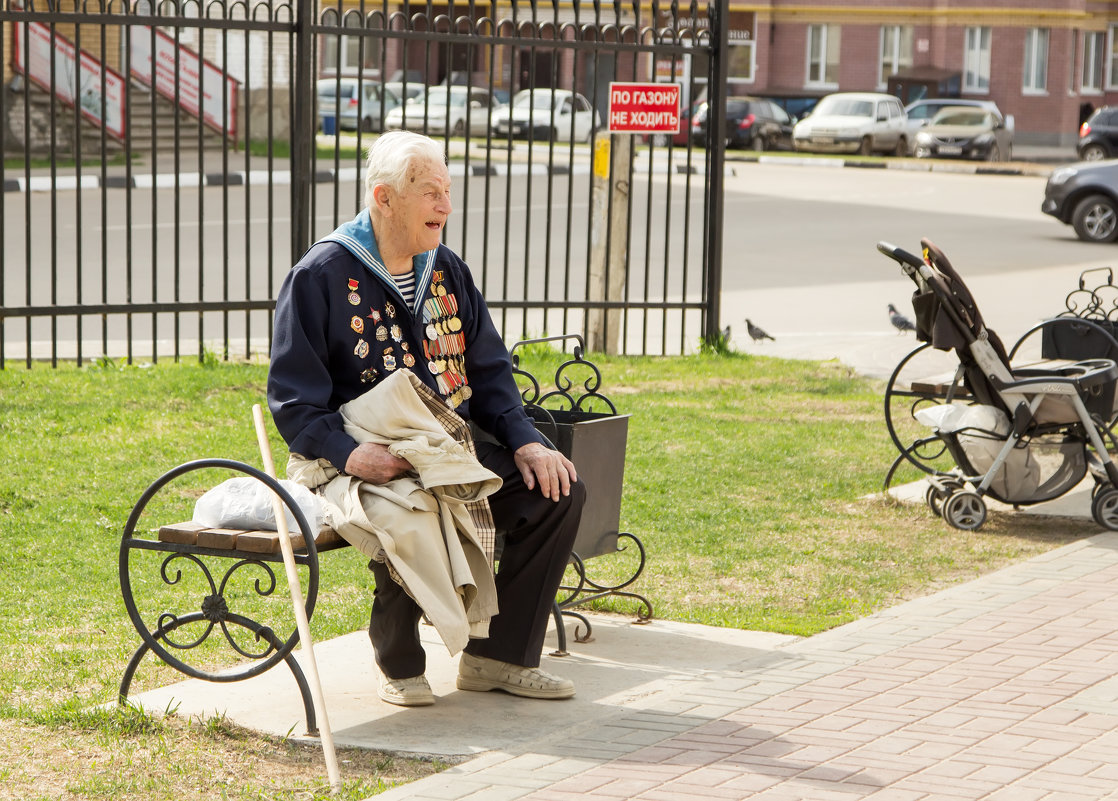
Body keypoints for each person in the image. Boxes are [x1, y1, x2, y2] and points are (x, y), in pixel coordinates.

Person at [267, 130, 585, 707]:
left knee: (557, 492)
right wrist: (347, 454)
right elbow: (293, 401)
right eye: (431, 192)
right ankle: (399, 658)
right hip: (361, 453)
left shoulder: (446, 271)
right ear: (384, 198)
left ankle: (497, 658)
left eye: (448, 191)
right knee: (412, 503)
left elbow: (489, 372)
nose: (446, 206)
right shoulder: (321, 275)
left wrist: (526, 442)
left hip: (448, 444)